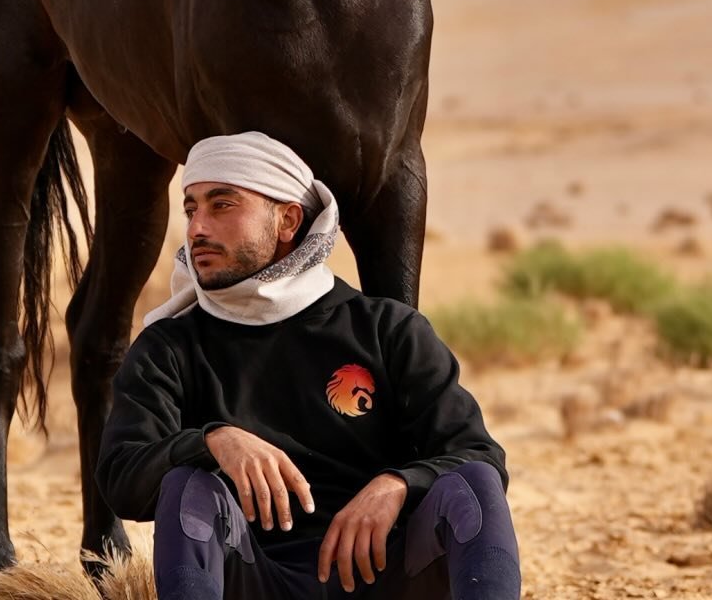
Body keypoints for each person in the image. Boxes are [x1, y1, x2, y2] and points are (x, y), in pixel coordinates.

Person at [96, 132, 521, 600]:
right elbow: (120, 477)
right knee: (186, 484)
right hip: (257, 582)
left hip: (385, 578)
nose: (197, 228)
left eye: (222, 205)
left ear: (288, 221)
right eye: (191, 207)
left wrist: (398, 484)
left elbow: (480, 456)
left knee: (473, 485)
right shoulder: (170, 347)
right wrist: (210, 441)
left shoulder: (387, 330)